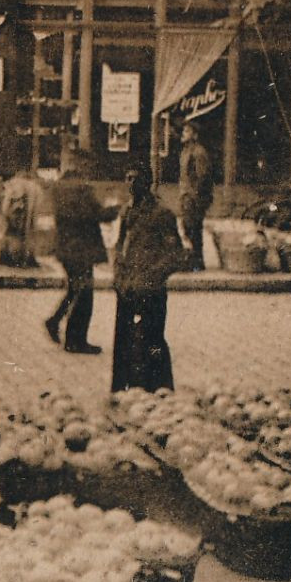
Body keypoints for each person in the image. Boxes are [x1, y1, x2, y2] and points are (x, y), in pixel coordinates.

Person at [111, 166, 188, 393]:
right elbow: (119, 245)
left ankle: (159, 388)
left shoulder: (162, 214)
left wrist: (153, 276)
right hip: (127, 287)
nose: (130, 184)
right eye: (127, 178)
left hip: (151, 289)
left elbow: (176, 255)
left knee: (153, 341)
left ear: (148, 183)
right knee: (123, 341)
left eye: (135, 179)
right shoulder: (127, 212)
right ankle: (121, 389)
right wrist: (118, 275)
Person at [45, 150, 119, 353]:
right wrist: (116, 208)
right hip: (81, 248)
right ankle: (75, 340)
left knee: (75, 288)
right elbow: (96, 214)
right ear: (81, 165)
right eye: (87, 166)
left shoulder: (58, 187)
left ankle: (54, 320)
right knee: (84, 294)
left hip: (65, 246)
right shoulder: (82, 189)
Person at [178, 121, 214, 271]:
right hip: (187, 195)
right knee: (188, 228)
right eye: (184, 131)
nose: (183, 134)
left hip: (194, 197)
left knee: (193, 229)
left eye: (187, 131)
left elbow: (203, 177)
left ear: (194, 135)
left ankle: (197, 263)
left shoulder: (198, 152)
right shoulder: (186, 151)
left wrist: (196, 198)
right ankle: (193, 261)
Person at [0, 170, 44, 269]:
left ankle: (11, 257)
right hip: (29, 212)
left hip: (18, 211)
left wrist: (8, 213)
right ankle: (27, 257)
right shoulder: (35, 186)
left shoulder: (14, 183)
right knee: (28, 231)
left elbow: (8, 206)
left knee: (12, 232)